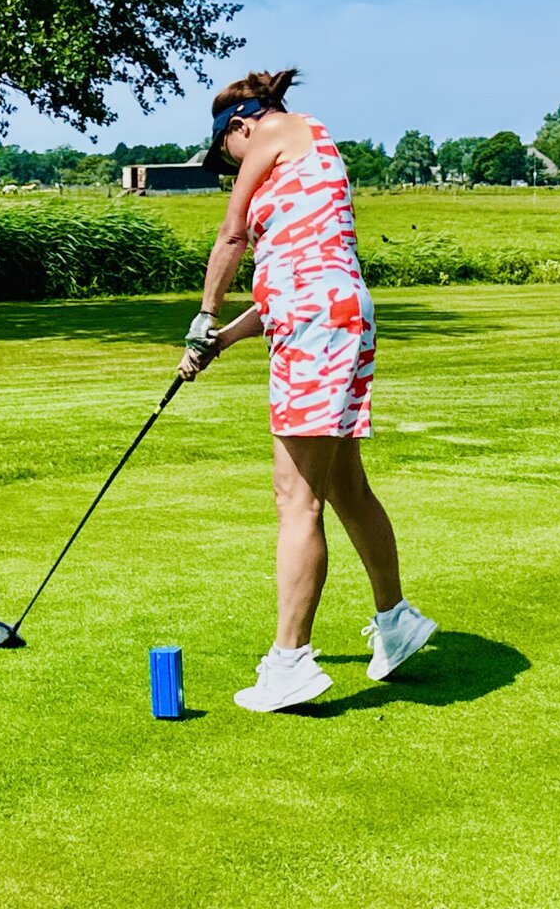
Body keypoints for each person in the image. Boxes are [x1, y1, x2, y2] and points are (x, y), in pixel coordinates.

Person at [178, 69, 435, 711]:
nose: (228, 167)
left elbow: (231, 234)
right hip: (336, 311)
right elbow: (290, 283)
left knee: (296, 499)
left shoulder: (270, 131)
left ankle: (289, 661)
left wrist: (204, 314)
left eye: (222, 156)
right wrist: (225, 340)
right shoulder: (306, 149)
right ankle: (396, 621)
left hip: (317, 321)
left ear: (237, 125)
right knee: (344, 483)